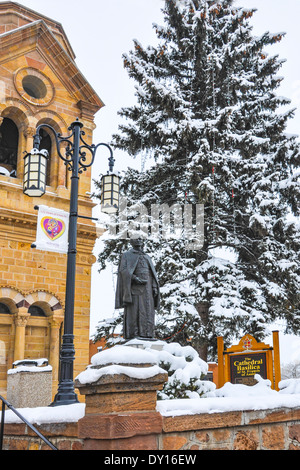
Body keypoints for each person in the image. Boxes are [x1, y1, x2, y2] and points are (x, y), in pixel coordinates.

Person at [115, 238, 160, 340]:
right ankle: (134, 334)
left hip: (148, 289)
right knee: (135, 311)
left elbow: (152, 274)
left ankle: (148, 334)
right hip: (135, 288)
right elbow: (123, 270)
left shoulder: (147, 257)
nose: (139, 240)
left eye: (140, 238)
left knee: (149, 311)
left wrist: (154, 286)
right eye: (136, 238)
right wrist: (135, 278)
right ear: (131, 241)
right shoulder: (127, 255)